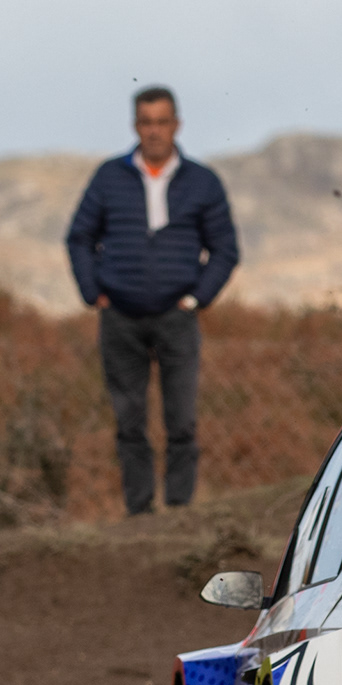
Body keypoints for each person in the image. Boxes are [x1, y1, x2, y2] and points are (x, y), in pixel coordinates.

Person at [64, 86, 239, 517]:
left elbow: (225, 249)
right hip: (119, 316)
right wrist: (93, 293)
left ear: (176, 125)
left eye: (162, 122)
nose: (155, 131)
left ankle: (179, 514)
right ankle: (139, 515)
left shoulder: (202, 181)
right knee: (129, 422)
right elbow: (80, 237)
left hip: (177, 316)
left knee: (181, 421)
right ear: (135, 126)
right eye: (147, 122)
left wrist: (197, 298)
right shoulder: (108, 177)